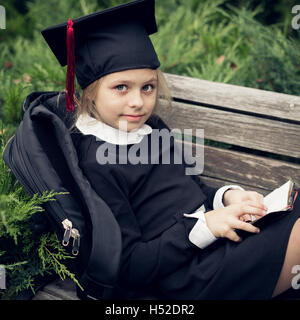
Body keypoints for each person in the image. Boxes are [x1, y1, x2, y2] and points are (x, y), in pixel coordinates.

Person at [41, 0, 300, 299]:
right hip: (181, 278)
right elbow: (130, 265)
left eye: (147, 87)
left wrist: (229, 196)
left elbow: (193, 189)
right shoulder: (95, 163)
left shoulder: (154, 129)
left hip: (217, 245)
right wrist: (206, 227)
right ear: (90, 93)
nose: (138, 101)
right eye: (121, 87)